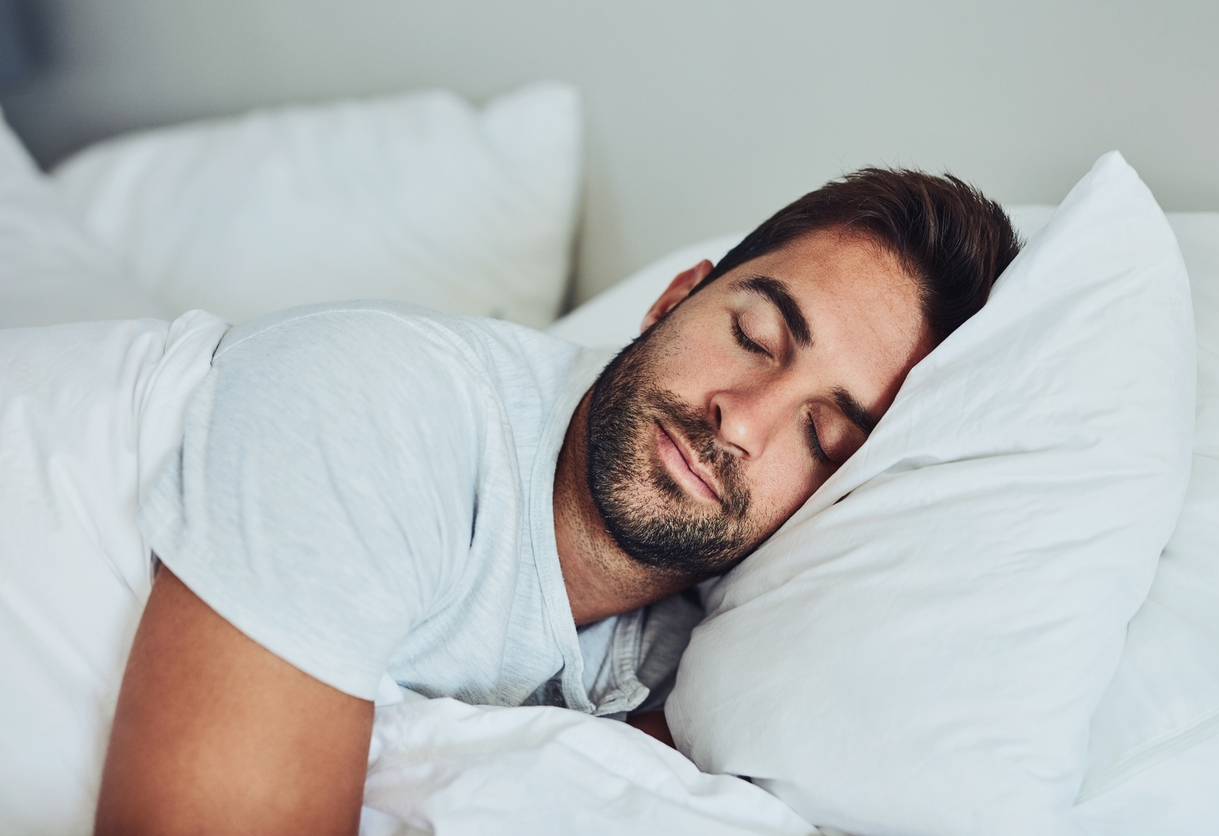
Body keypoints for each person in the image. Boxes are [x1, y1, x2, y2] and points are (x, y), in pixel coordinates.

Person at [94, 168, 1020, 835]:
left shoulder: (696, 671)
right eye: (752, 334)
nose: (742, 422)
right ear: (673, 299)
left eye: (824, 439)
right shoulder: (380, 402)